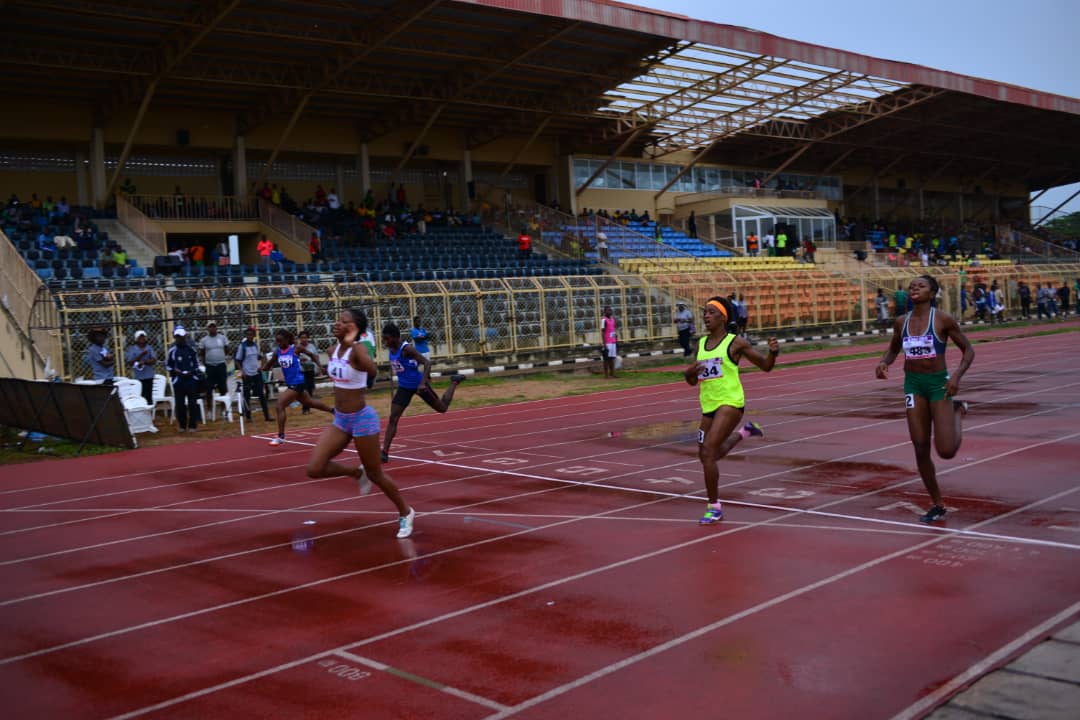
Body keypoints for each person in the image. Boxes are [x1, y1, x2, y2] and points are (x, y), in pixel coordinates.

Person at [306, 308, 415, 539]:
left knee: (376, 474)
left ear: (353, 328)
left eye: (343, 321)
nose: (337, 323)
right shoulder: (332, 350)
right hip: (341, 420)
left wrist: (352, 344)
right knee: (315, 469)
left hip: (362, 419)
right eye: (338, 319)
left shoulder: (358, 349)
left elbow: (372, 369)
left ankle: (406, 512)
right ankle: (356, 473)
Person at [875, 275, 974, 523]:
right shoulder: (902, 322)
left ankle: (957, 411)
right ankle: (938, 504)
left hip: (938, 384)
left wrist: (956, 377)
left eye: (921, 285)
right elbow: (894, 348)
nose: (915, 288)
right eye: (912, 286)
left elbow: (969, 350)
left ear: (932, 293)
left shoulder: (942, 319)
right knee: (920, 446)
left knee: (946, 451)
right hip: (913, 385)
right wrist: (884, 362)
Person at [684, 296, 778, 524]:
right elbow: (692, 381)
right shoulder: (700, 345)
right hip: (708, 405)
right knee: (707, 456)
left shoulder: (735, 343)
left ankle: (714, 508)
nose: (706, 316)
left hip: (730, 402)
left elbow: (765, 366)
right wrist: (689, 373)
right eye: (705, 312)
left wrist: (773, 353)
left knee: (708, 451)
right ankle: (745, 432)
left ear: (723, 317)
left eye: (711, 312)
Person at [380, 323, 465, 463]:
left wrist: (423, 383)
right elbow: (398, 366)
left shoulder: (407, 349)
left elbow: (427, 363)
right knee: (393, 418)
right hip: (404, 388)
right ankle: (384, 452)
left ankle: (454, 382)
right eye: (384, 338)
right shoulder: (391, 348)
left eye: (387, 338)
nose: (385, 341)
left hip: (418, 385)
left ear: (395, 337)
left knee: (442, 408)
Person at [263, 329, 333, 446]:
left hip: (298, 382)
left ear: (287, 339)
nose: (279, 343)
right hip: (291, 383)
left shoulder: (295, 348)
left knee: (280, 405)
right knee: (310, 402)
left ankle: (281, 436)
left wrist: (320, 366)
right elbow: (268, 365)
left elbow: (312, 355)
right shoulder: (278, 352)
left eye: (280, 341)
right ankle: (334, 411)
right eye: (277, 341)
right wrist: (262, 368)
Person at [166, 326, 203, 433]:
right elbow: (167, 366)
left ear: (185, 336)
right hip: (178, 380)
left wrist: (192, 371)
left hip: (191, 380)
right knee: (180, 404)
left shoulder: (191, 350)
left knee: (192, 403)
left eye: (181, 336)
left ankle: (193, 425)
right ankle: (182, 425)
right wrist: (175, 370)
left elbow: (197, 364)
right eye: (177, 336)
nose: (179, 339)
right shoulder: (172, 350)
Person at [234, 326, 272, 422]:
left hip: (256, 373)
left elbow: (260, 357)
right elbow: (237, 360)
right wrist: (242, 371)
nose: (250, 336)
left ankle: (267, 416)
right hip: (247, 374)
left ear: (254, 335)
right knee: (247, 396)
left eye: (251, 334)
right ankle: (248, 416)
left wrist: (262, 366)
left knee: (261, 395)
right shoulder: (242, 346)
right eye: (248, 335)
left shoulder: (255, 345)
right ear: (246, 335)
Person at [198, 321, 229, 412]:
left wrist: (220, 356)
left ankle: (223, 408)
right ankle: (209, 409)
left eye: (214, 326)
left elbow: (227, 349)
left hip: (221, 365)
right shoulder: (204, 340)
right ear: (207, 328)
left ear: (216, 328)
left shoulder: (222, 338)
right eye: (210, 327)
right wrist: (205, 363)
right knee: (209, 388)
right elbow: (202, 353)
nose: (212, 328)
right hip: (210, 366)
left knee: (223, 387)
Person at [125, 330, 157, 405]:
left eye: (143, 337)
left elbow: (154, 360)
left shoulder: (149, 348)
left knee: (149, 396)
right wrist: (141, 355)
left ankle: (150, 410)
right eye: (140, 337)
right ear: (136, 339)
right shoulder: (132, 349)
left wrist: (144, 362)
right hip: (138, 377)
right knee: (140, 396)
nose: (142, 339)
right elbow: (130, 362)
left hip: (149, 376)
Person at [298, 330, 319, 414]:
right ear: (299, 339)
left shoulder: (312, 346)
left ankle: (307, 407)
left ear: (308, 338)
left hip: (310, 369)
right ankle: (305, 408)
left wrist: (318, 366)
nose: (304, 339)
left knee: (310, 388)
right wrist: (300, 360)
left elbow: (316, 356)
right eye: (302, 338)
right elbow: (293, 358)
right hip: (301, 371)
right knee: (304, 389)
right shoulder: (297, 347)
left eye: (305, 337)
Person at [601, 306, 618, 378]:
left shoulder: (613, 319)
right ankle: (606, 375)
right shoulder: (603, 320)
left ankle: (612, 374)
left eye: (610, 310)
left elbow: (613, 329)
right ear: (605, 312)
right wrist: (604, 344)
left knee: (612, 358)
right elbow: (602, 332)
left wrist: (616, 339)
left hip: (613, 341)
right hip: (607, 342)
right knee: (606, 359)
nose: (610, 312)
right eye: (608, 310)